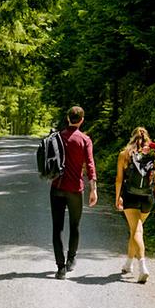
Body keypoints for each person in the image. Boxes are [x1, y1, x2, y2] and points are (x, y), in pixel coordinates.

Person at [50, 106, 97, 279]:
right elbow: (90, 165)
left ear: (67, 118)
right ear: (82, 120)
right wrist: (93, 189)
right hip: (75, 189)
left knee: (57, 228)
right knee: (74, 226)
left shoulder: (57, 138)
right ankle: (71, 260)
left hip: (57, 187)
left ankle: (60, 268)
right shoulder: (85, 139)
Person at [114, 127, 155, 283]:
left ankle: (143, 266)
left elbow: (119, 179)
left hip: (131, 196)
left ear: (132, 138)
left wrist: (117, 197)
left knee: (136, 231)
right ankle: (128, 264)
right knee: (135, 229)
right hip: (147, 198)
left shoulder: (124, 154)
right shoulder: (151, 155)